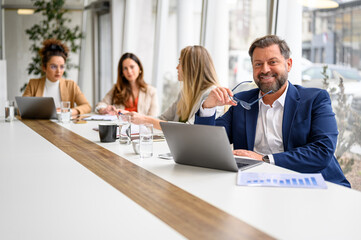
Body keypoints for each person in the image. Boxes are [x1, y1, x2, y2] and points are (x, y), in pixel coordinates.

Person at [195, 35, 350, 187]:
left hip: (311, 185)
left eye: (272, 62)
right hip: (255, 186)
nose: (265, 69)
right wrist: (208, 106)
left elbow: (322, 151)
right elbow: (205, 147)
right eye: (258, 64)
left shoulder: (315, 99)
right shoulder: (242, 101)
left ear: (288, 64)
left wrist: (264, 159)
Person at [128, 45, 224, 130]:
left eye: (180, 63)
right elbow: (163, 119)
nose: (177, 67)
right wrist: (135, 117)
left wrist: (145, 120)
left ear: (191, 67)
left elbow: (189, 129)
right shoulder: (184, 93)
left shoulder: (212, 95)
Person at [23, 39, 91, 115]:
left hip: (64, 124)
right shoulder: (33, 84)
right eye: (53, 67)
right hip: (39, 125)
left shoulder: (71, 85)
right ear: (44, 67)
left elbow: (87, 106)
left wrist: (68, 111)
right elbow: (21, 109)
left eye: (62, 67)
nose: (58, 71)